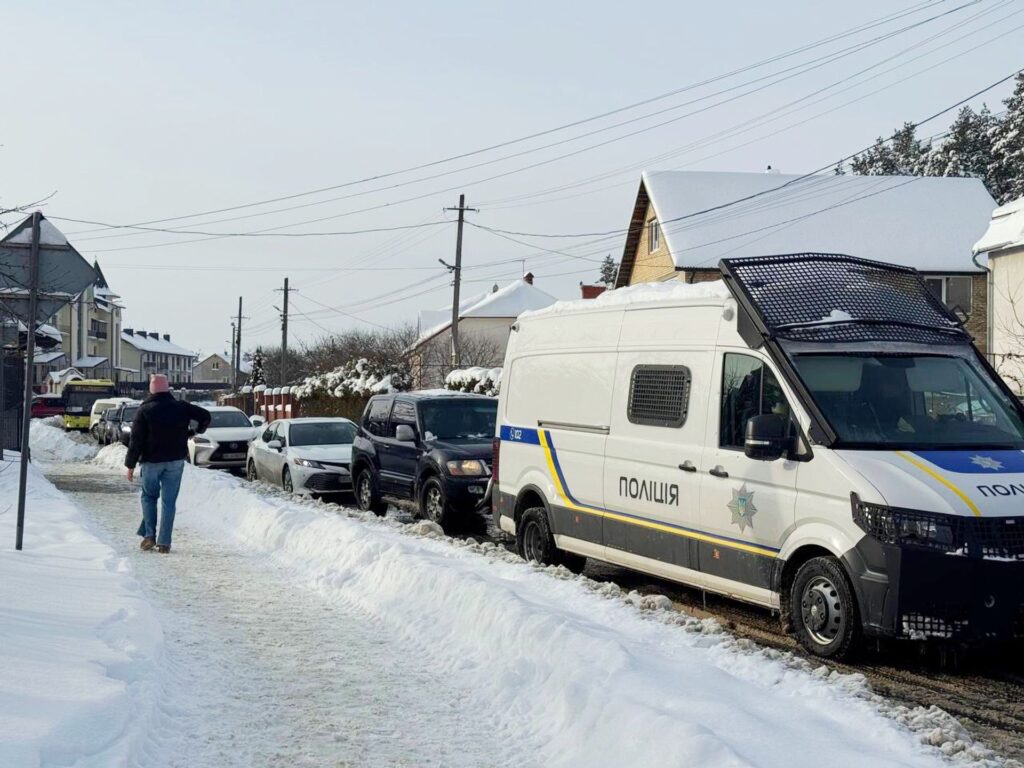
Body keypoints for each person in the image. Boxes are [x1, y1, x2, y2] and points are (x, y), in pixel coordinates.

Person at [125, 375, 211, 553]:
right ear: (168, 389)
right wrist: (194, 431)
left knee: (149, 497)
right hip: (175, 461)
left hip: (151, 462)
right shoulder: (181, 407)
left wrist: (130, 464)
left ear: (152, 389)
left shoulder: (145, 410)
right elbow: (205, 416)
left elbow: (136, 440)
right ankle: (164, 542)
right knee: (169, 502)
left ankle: (149, 536)